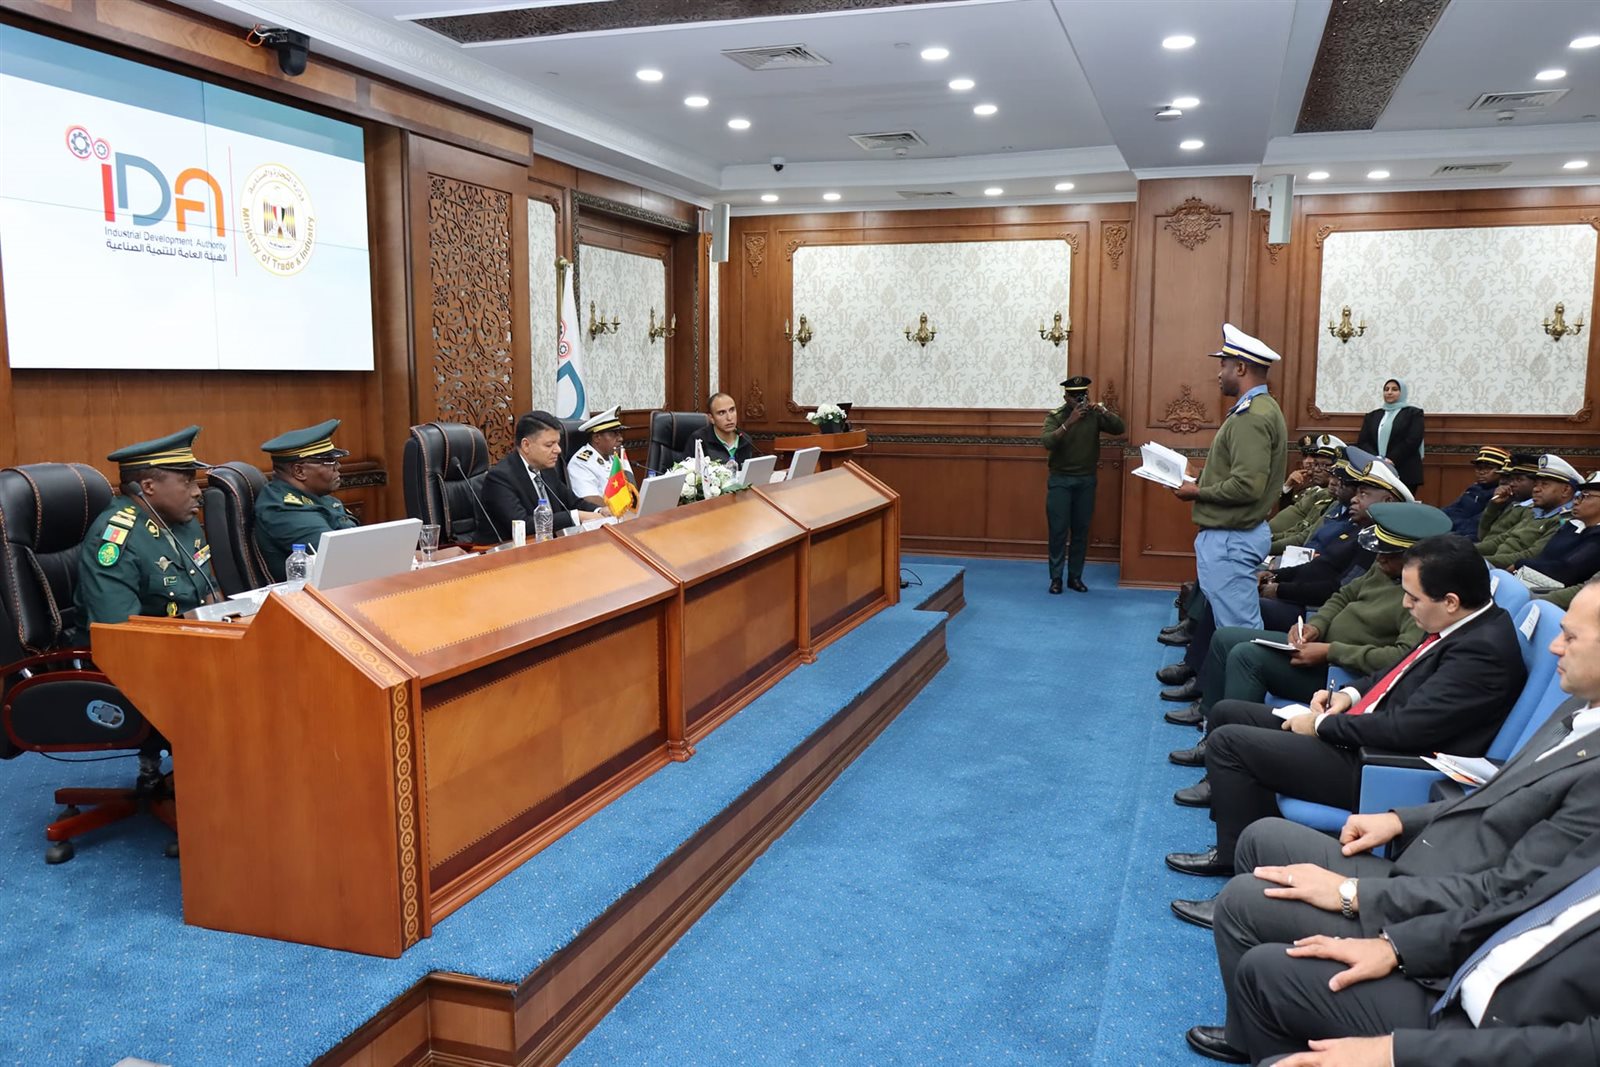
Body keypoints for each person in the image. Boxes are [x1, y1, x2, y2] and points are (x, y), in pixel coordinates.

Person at [1176, 576, 1600, 1062]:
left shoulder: (1492, 660)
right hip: (1434, 863)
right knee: (1261, 837)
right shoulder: (1578, 709)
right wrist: (1402, 820)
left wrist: (1355, 896)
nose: (1554, 646)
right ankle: (1256, 1032)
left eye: (1570, 637)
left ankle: (1263, 1036)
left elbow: (1509, 892)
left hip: (1442, 894)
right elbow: (1496, 795)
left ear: (1451, 600)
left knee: (1247, 908)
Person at [1165, 533, 1525, 878]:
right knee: (1230, 712)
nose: (1405, 604)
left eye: (1413, 598)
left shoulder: (1481, 653)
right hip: (1370, 736)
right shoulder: (1462, 623)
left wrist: (1320, 726)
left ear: (1450, 600)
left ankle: (1237, 863)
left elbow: (1406, 729)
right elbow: (1398, 671)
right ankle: (1253, 841)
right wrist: (1349, 695)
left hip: (1385, 766)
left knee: (1230, 743)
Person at [1229, 829, 1600, 1065]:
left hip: (1501, 1043)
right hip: (1460, 985)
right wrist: (1396, 947)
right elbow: (1519, 904)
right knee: (1265, 974)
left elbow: (1582, 1047)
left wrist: (1391, 1053)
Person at [1167, 503, 1442, 785]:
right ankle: (1210, 730)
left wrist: (1330, 652)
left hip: (1343, 674)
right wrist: (1315, 626)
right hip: (1323, 647)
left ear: (1414, 556)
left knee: (1246, 656)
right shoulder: (1385, 568)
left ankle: (1226, 769)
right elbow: (1343, 596)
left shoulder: (1421, 598)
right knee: (1226, 637)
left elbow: (1402, 660)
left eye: (1389, 553)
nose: (1379, 557)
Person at [1172, 324, 1288, 630]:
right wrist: (1199, 476)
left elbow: (1246, 486)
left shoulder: (1251, 416)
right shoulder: (1262, 408)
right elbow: (1243, 474)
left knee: (1239, 631)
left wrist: (1196, 492)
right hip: (1235, 535)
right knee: (1230, 627)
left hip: (1232, 539)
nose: (1219, 373)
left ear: (1240, 368)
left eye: (1223, 365)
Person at [75, 425, 221, 633]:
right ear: (148, 487)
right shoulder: (116, 539)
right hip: (144, 647)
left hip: (195, 638)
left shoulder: (185, 521)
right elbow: (119, 631)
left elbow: (209, 591)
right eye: (187, 482)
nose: (197, 491)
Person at [1042, 374, 1125, 593]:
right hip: (1060, 480)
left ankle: (1075, 577)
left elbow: (1119, 428)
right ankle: (1056, 578)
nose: (1080, 400)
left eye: (1083, 395)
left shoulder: (1093, 415)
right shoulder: (1056, 416)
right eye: (1075, 396)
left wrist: (1103, 411)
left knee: (1080, 531)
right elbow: (1047, 442)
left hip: (1086, 480)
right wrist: (1069, 422)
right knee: (1058, 531)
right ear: (1066, 397)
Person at [254, 419, 361, 582]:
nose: (338, 467)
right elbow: (340, 559)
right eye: (329, 462)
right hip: (311, 594)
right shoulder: (286, 510)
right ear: (299, 471)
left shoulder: (317, 496)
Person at [484, 410, 608, 535]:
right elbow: (523, 525)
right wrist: (576, 516)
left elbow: (573, 502)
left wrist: (600, 511)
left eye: (557, 443)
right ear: (526, 445)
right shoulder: (499, 478)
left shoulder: (546, 469)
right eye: (549, 445)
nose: (558, 450)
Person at [1481, 453, 1579, 569]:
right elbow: (1499, 541)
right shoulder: (1535, 512)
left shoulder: (1564, 520)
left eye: (1544, 484)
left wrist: (1479, 561)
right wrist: (1469, 551)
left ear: (1566, 490)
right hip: (1495, 566)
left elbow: (1532, 556)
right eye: (1536, 484)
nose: (1536, 489)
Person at [1510, 470, 1600, 591]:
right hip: (1535, 581)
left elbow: (1566, 571)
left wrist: (1520, 564)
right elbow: (1544, 556)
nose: (1576, 501)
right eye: (1578, 496)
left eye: (1585, 496)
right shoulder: (1572, 524)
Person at [1356, 377, 1425, 491]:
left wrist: (1391, 459)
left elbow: (1413, 440)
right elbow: (1363, 442)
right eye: (1386, 389)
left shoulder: (1413, 413)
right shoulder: (1373, 415)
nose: (1389, 392)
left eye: (1394, 389)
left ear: (1402, 392)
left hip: (1404, 470)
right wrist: (1377, 459)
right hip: (1376, 470)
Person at [567, 405, 634, 505]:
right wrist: (620, 508)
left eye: (620, 433)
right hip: (600, 513)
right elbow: (589, 498)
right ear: (596, 438)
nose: (621, 439)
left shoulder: (613, 456)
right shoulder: (581, 463)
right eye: (614, 434)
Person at [1475, 452, 1539, 554]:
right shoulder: (1513, 502)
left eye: (1519, 479)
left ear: (1536, 483)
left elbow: (1504, 544)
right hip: (1484, 550)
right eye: (1512, 479)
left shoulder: (1532, 510)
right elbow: (1483, 534)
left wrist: (1471, 550)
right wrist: (1493, 506)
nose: (1512, 484)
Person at [1443, 445, 1510, 538]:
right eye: (1479, 468)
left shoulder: (1502, 495)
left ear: (1501, 471)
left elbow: (1478, 523)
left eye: (1488, 468)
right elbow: (1450, 510)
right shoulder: (1474, 489)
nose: (1481, 472)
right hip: (1454, 532)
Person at [686, 392, 756, 467]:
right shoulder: (699, 440)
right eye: (721, 413)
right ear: (711, 418)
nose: (729, 418)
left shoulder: (745, 439)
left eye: (732, 410)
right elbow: (686, 470)